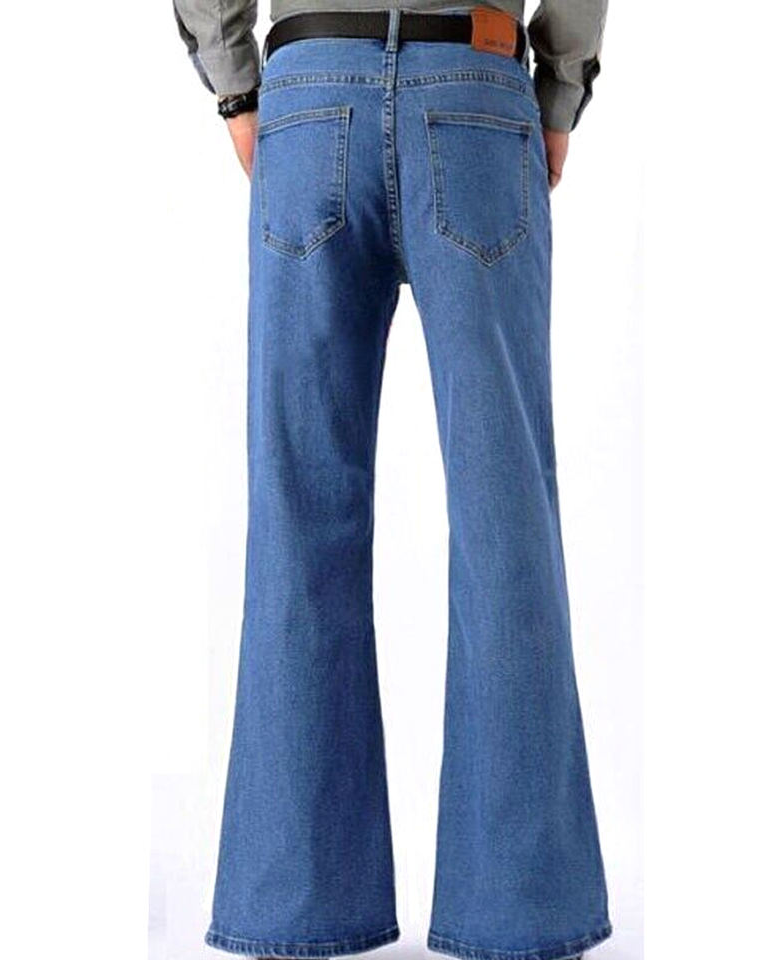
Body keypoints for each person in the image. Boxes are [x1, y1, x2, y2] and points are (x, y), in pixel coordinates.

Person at [173, 2, 610, 959]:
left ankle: (294, 908)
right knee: (505, 521)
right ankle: (522, 913)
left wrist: (236, 85)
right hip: (476, 87)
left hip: (309, 89)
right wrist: (559, 90)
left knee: (298, 515)